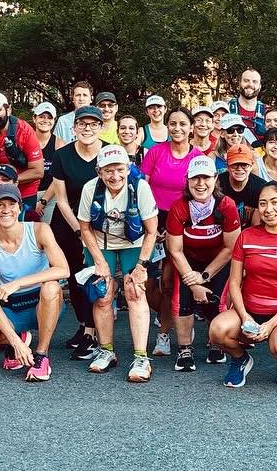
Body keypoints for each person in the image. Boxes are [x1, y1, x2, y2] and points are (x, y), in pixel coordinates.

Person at [207, 181, 277, 388]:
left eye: (275, 202)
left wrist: (271, 324)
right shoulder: (246, 236)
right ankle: (240, 359)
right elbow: (235, 283)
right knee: (217, 330)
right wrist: (245, 316)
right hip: (248, 309)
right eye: (263, 204)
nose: (268, 209)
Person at [0, 183, 69, 382]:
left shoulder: (39, 230)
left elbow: (63, 269)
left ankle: (41, 355)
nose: (6, 210)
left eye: (11, 204)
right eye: (0, 205)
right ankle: (19, 337)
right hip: (10, 307)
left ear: (20, 207)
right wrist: (14, 342)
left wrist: (18, 283)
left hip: (43, 302)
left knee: (52, 286)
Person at [76, 144, 158, 381]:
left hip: (134, 243)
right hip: (101, 242)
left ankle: (141, 357)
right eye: (108, 170)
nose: (115, 176)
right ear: (99, 171)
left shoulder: (140, 187)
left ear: (129, 167)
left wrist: (142, 266)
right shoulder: (90, 188)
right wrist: (99, 261)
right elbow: (84, 227)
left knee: (135, 291)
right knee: (103, 294)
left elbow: (152, 231)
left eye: (120, 169)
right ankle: (106, 350)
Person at [165, 155, 241, 370]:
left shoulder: (226, 205)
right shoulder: (179, 207)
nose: (200, 184)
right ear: (187, 180)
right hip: (187, 261)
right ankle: (184, 348)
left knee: (219, 301)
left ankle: (217, 342)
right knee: (182, 301)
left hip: (218, 261)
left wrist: (205, 276)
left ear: (215, 179)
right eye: (195, 178)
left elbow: (230, 248)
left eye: (206, 178)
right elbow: (175, 250)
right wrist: (195, 283)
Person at [43, 104, 104, 357]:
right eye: (82, 124)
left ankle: (94, 332)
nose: (87, 128)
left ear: (100, 127)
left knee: (94, 275)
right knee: (73, 275)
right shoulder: (63, 155)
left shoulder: (110, 152)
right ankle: (83, 326)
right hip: (68, 222)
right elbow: (62, 198)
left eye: (93, 124)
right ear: (74, 127)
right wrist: (80, 231)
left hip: (100, 222)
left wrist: (90, 232)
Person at [218, 143, 268, 226]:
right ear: (227, 166)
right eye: (235, 164)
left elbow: (256, 225)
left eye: (244, 165)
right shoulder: (218, 184)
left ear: (251, 166)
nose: (239, 169)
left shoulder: (260, 187)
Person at [229, 69, 267, 142]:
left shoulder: (267, 112)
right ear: (239, 83)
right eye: (246, 81)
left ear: (260, 86)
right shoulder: (227, 109)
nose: (250, 84)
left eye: (254, 82)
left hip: (259, 152)